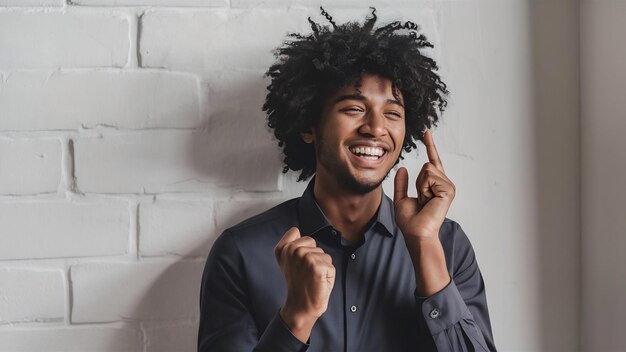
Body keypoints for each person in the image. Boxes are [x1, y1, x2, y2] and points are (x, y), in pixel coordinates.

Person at [198, 7, 496, 352]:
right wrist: (296, 317)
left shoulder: (449, 245)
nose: (376, 127)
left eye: (393, 113)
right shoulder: (241, 253)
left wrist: (426, 246)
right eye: (354, 109)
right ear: (309, 126)